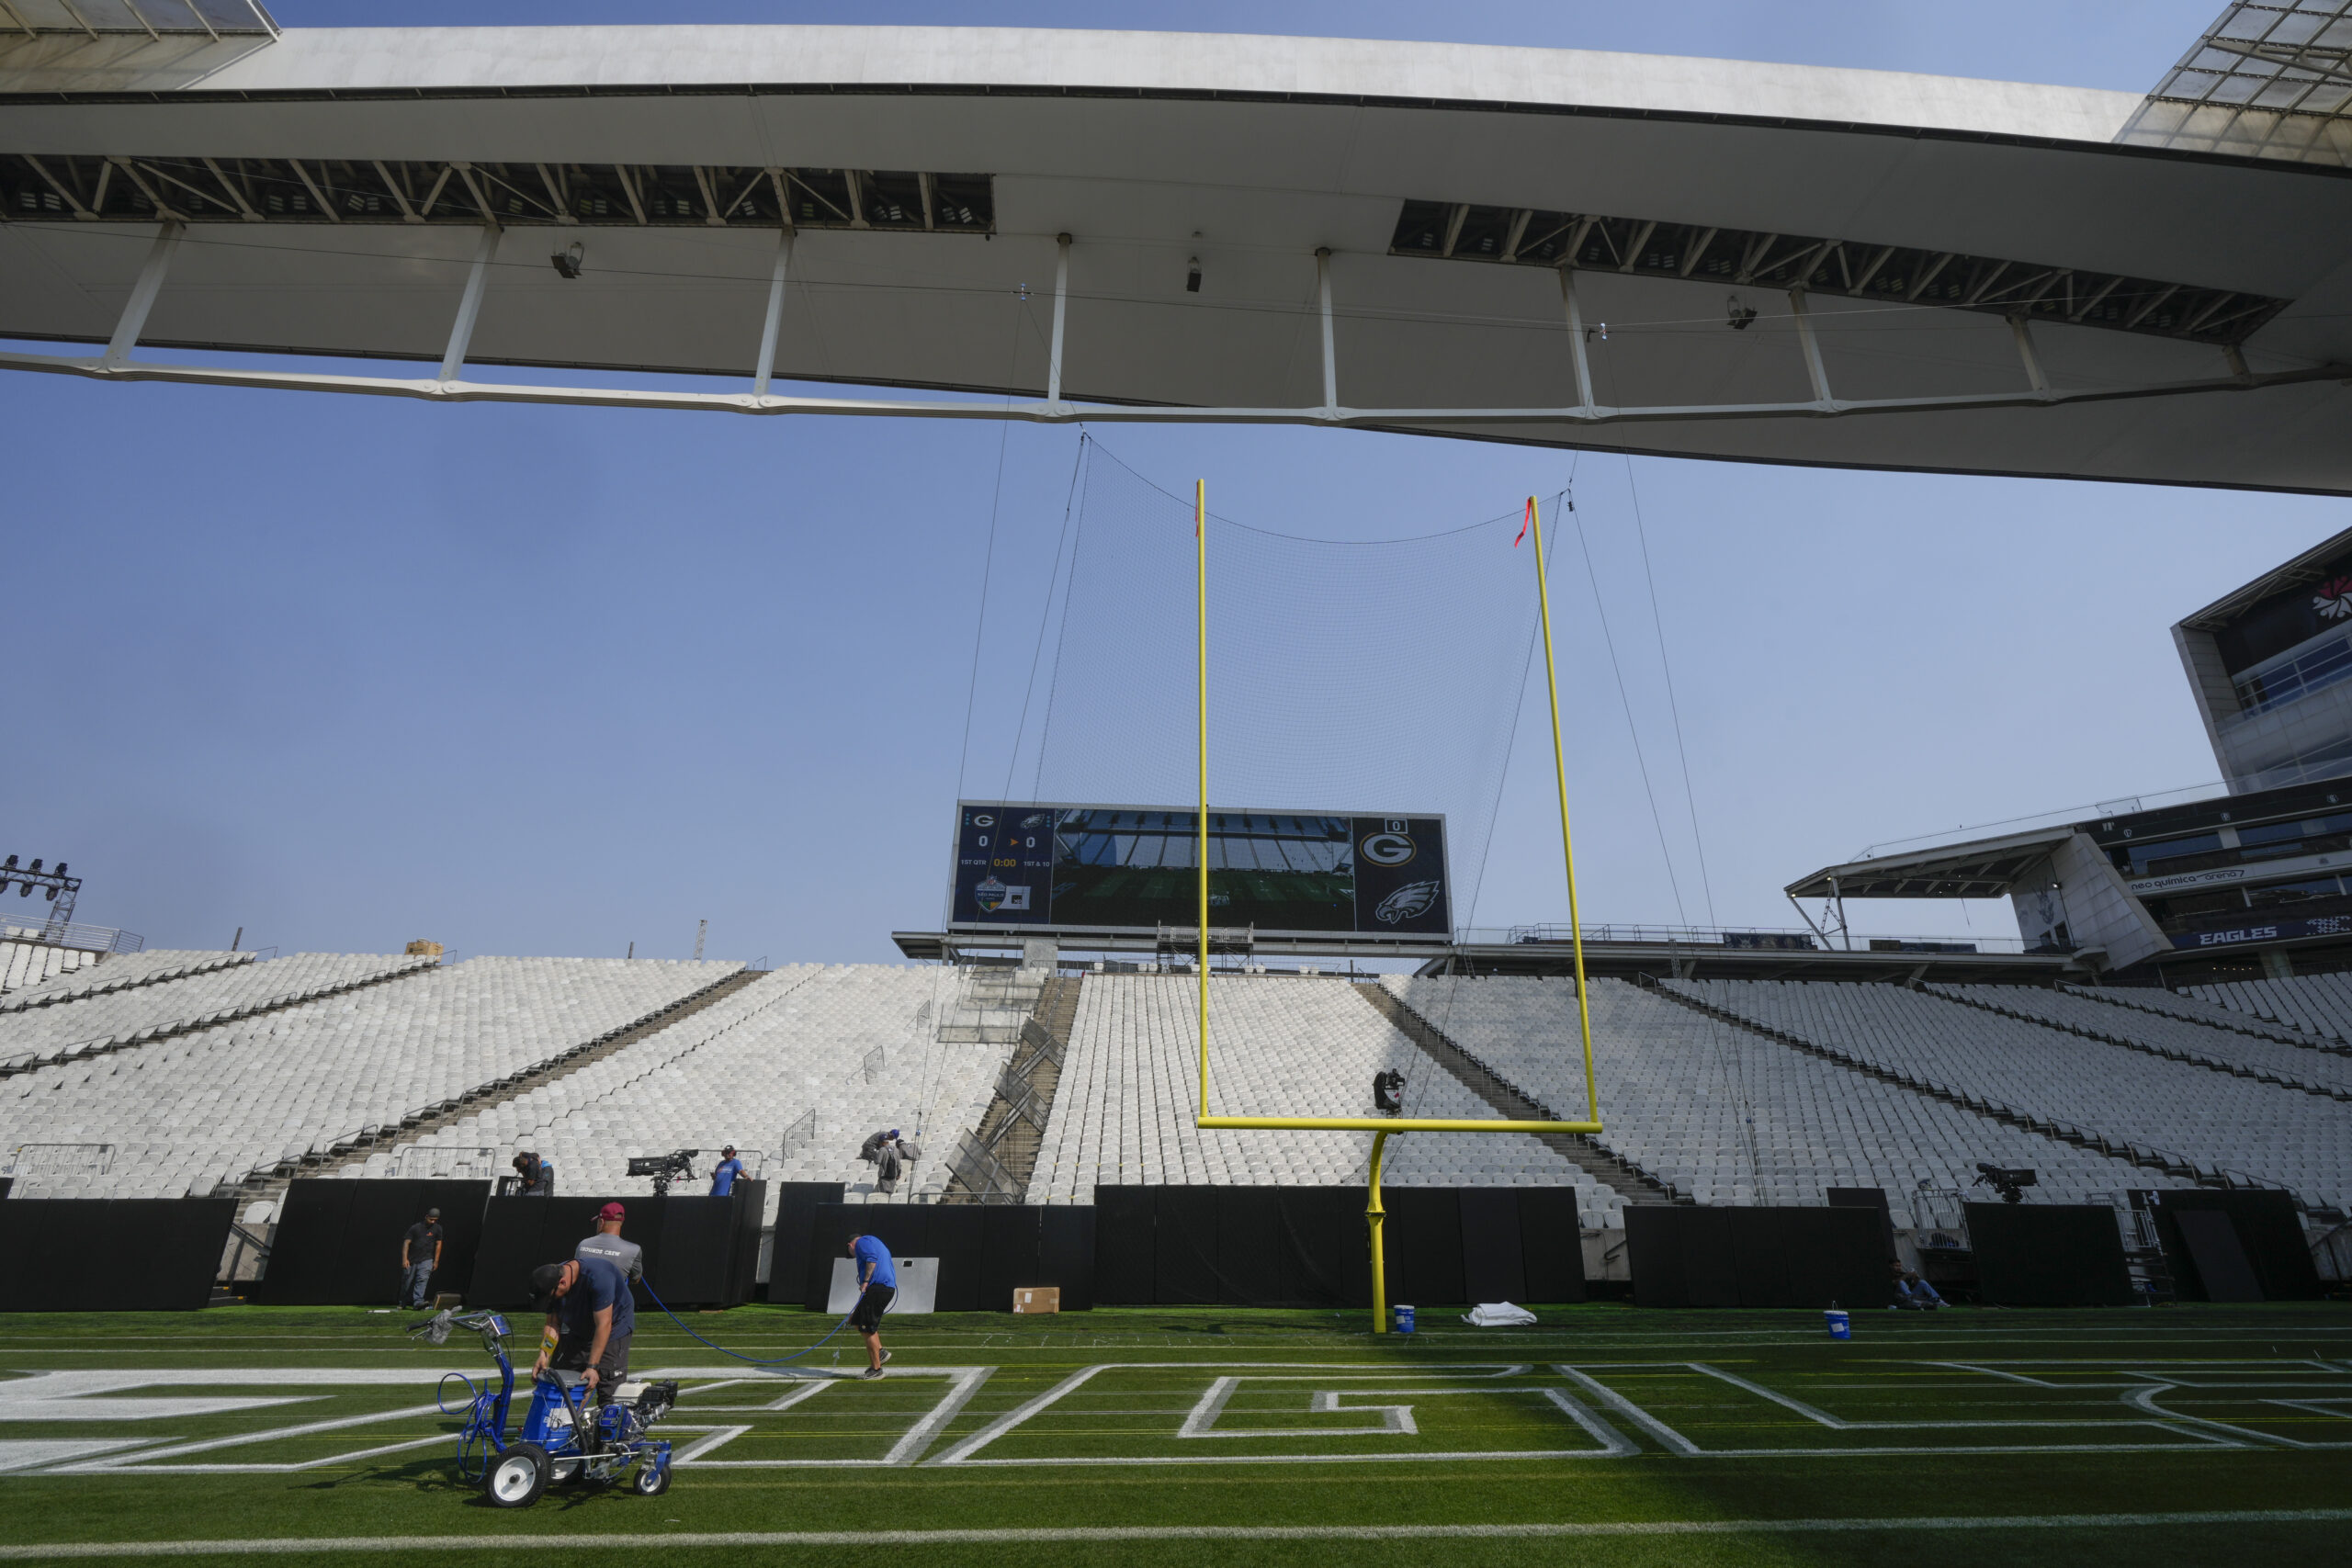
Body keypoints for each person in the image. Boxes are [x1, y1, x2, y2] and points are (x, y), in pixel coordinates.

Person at [529, 1253, 634, 1410]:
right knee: (562, 1383)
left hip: (613, 1326)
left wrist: (592, 1367)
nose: (550, 1301)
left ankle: (611, 1427)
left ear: (563, 1283)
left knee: (609, 1391)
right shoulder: (551, 1281)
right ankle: (565, 1426)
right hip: (580, 1326)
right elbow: (552, 1324)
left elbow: (603, 1325)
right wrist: (544, 1355)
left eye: (551, 1298)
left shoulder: (599, 1278)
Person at [846, 1230, 896, 1380]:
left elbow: (872, 1258)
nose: (854, 1257)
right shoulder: (875, 1241)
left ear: (850, 1245)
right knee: (856, 1321)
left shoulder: (862, 1242)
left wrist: (866, 1281)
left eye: (851, 1254)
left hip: (878, 1288)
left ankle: (876, 1369)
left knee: (866, 1327)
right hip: (883, 1288)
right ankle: (880, 1352)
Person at [576, 1201, 642, 1280]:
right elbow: (636, 1279)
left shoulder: (583, 1244)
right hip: (612, 1293)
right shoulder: (634, 1250)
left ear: (601, 1222)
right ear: (621, 1222)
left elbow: (575, 1274)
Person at [399, 1207, 444, 1308]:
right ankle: (403, 1302)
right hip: (412, 1259)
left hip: (427, 1259)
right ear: (426, 1216)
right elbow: (406, 1243)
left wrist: (436, 1261)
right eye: (431, 1219)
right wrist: (404, 1259)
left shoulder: (437, 1228)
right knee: (407, 1282)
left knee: (422, 1280)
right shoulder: (415, 1228)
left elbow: (439, 1244)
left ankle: (418, 1302)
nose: (432, 1222)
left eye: (435, 1220)